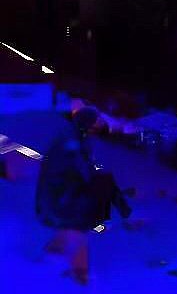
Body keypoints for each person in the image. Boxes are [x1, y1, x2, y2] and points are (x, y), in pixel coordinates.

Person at [36, 108, 131, 284]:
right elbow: (86, 173)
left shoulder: (72, 140)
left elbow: (89, 171)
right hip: (64, 194)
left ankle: (60, 261)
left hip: (62, 191)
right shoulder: (72, 143)